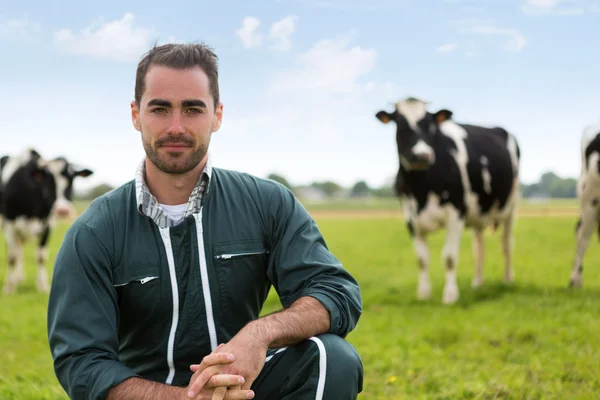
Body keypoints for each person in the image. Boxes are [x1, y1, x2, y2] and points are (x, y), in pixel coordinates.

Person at [46, 42, 364, 400]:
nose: (176, 127)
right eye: (160, 109)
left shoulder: (267, 202)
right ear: (136, 115)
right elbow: (82, 361)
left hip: (246, 388)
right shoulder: (94, 231)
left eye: (193, 109)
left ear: (218, 115)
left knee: (332, 358)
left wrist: (259, 334)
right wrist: (187, 398)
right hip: (147, 395)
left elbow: (335, 291)